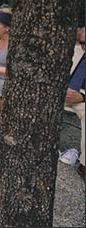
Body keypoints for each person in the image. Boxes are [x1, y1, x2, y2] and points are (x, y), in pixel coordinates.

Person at [65, 27, 85, 179]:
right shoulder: (72, 49)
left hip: (81, 97)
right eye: (83, 42)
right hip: (61, 91)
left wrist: (82, 97)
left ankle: (84, 165)